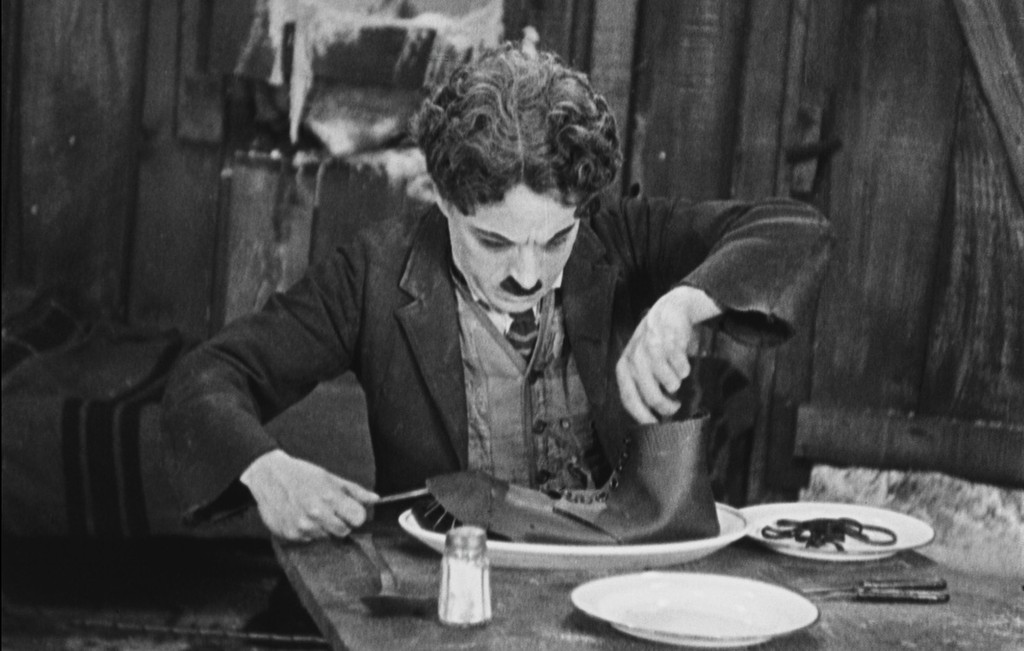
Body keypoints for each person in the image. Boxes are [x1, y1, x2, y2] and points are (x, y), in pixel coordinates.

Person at [161, 42, 833, 542]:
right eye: (493, 241)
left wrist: (685, 305)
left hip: (615, 582)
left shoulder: (618, 235)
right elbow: (207, 377)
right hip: (455, 596)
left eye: (555, 238)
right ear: (441, 197)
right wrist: (265, 468)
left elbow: (795, 229)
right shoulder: (373, 273)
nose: (529, 275)